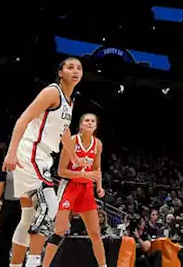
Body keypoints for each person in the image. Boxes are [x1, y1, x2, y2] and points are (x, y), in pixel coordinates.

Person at [3, 58, 81, 267]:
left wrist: (74, 157)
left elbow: (64, 131)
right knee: (49, 208)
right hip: (30, 154)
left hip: (43, 158)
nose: (75, 71)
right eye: (70, 67)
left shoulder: (69, 100)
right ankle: (34, 262)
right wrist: (11, 153)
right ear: (60, 72)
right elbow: (23, 119)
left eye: (79, 68)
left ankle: (16, 265)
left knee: (29, 216)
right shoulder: (52, 92)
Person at [41, 114, 106, 267]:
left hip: (87, 189)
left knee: (95, 233)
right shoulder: (72, 141)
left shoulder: (98, 144)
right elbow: (61, 171)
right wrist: (83, 174)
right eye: (86, 120)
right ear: (81, 125)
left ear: (96, 126)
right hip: (69, 186)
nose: (90, 123)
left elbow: (97, 168)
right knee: (59, 230)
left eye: (93, 121)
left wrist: (99, 186)